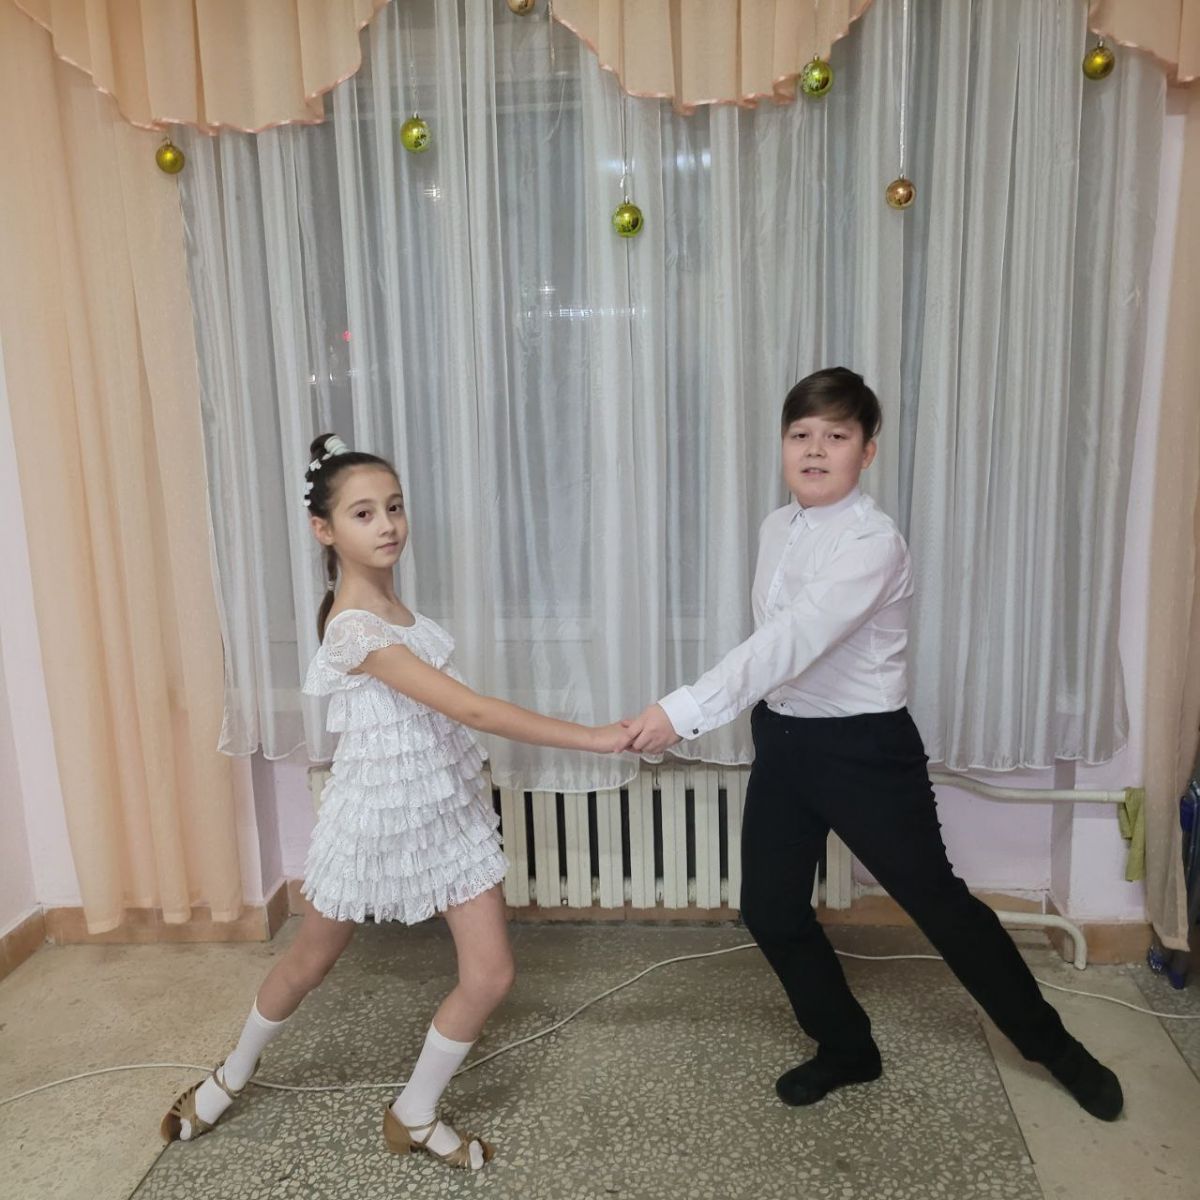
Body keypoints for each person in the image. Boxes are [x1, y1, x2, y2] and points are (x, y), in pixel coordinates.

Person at [625, 368, 1123, 1121]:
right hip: (784, 739)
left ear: (867, 452)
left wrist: (681, 710)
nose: (814, 449)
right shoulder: (775, 527)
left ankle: (1058, 1051)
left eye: (836, 435)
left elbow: (793, 639)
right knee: (771, 910)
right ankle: (847, 1049)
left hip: (864, 751)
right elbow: (775, 647)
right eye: (800, 434)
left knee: (941, 907)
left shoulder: (872, 542)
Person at [161, 433, 633, 1170]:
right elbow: (471, 709)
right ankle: (231, 1075)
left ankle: (413, 1113)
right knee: (309, 962)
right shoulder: (353, 623)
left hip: (442, 808)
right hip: (376, 816)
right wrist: (595, 737)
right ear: (324, 530)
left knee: (492, 974)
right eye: (363, 513)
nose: (386, 525)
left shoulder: (385, 600)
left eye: (394, 507)